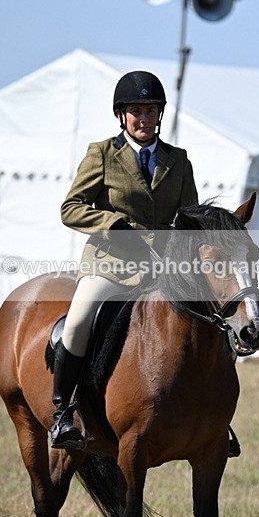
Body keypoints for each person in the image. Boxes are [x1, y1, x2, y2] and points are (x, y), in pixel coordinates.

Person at [50, 70, 198, 449]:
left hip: (161, 268)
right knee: (79, 320)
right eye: (136, 111)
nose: (144, 118)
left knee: (206, 319)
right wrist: (111, 223)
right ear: (122, 115)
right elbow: (71, 208)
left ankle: (212, 415)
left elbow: (190, 218)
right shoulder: (101, 153)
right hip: (110, 263)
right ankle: (62, 412)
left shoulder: (178, 161)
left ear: (160, 114)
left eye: (151, 110)